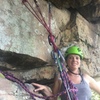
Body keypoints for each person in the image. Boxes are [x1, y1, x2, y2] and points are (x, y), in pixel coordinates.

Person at [32, 45, 100, 100]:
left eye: (77, 58)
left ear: (80, 62)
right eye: (71, 57)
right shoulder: (60, 77)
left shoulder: (86, 78)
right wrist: (45, 89)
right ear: (66, 61)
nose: (74, 60)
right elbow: (54, 98)